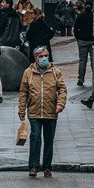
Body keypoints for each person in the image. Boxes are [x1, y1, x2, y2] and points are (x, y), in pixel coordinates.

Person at [18, 46, 67, 178]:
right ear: (36, 58)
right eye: (41, 56)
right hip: (34, 111)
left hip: (51, 111)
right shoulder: (28, 73)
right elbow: (23, 92)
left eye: (46, 55)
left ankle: (47, 166)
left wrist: (60, 104)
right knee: (35, 138)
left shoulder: (55, 72)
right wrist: (21, 109)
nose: (44, 58)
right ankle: (33, 166)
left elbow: (62, 89)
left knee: (49, 140)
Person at [72, 1, 94, 87]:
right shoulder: (93, 15)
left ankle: (81, 79)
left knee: (82, 60)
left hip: (82, 40)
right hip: (92, 40)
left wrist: (78, 38)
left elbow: (76, 29)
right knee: (93, 60)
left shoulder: (81, 15)